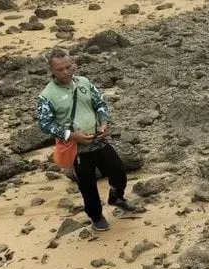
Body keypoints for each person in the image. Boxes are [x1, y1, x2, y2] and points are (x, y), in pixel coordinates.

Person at [35, 47, 136, 231]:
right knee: (88, 186)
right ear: (51, 71)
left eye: (68, 67)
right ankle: (96, 216)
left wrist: (104, 123)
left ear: (73, 64)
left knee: (118, 171)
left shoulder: (84, 82)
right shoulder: (47, 96)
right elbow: (45, 124)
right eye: (59, 69)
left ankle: (117, 197)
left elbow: (100, 103)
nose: (65, 72)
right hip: (76, 148)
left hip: (99, 140)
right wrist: (72, 135)